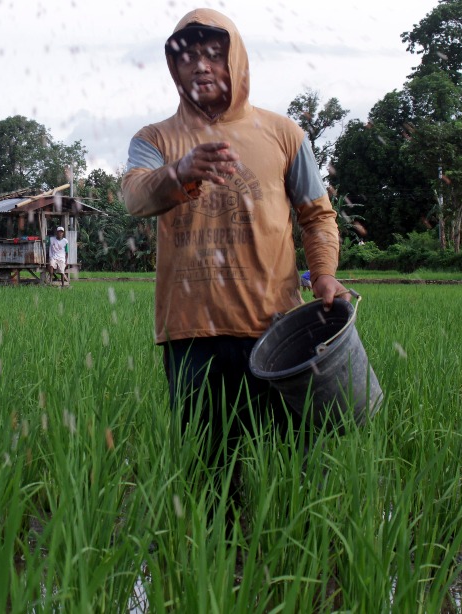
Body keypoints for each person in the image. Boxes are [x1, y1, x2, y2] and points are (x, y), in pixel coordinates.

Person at [122, 8, 350, 515]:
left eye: (213, 53)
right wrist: (179, 170)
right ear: (173, 68)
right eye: (187, 57)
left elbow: (317, 216)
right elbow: (134, 197)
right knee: (209, 476)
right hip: (191, 335)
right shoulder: (154, 140)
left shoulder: (283, 134)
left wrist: (326, 275)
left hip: (274, 332)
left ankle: (283, 565)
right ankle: (215, 577)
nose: (200, 66)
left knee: (289, 469)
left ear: (237, 60)